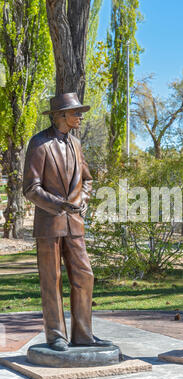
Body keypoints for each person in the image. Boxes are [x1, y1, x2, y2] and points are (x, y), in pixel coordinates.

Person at [23, 93, 112, 352]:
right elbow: (30, 187)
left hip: (75, 223)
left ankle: (83, 334)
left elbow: (88, 179)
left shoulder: (75, 143)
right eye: (76, 112)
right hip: (49, 224)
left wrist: (83, 199)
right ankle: (56, 336)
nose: (80, 116)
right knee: (52, 280)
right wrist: (57, 204)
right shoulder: (39, 143)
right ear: (61, 115)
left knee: (84, 276)